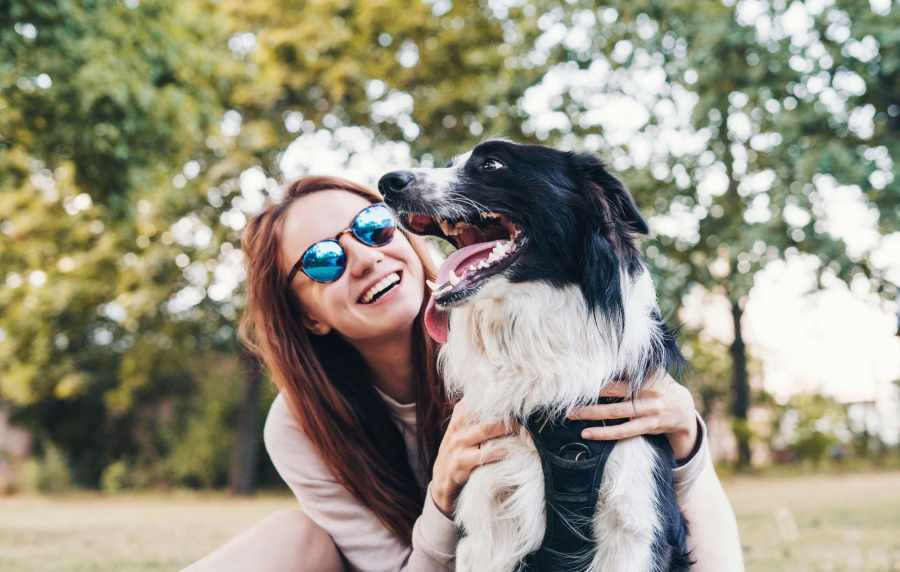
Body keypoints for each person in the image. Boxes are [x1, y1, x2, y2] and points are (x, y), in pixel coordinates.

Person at [185, 176, 743, 572]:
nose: (364, 257)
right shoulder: (300, 425)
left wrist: (687, 442)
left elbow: (652, 510)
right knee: (291, 538)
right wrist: (444, 496)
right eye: (323, 261)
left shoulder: (516, 330)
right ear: (306, 314)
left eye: (373, 226)